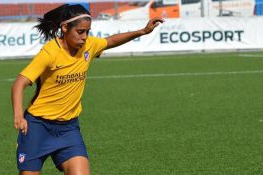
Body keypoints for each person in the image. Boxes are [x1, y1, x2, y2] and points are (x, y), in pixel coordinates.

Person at [11, 3, 164, 175]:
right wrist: (18, 115)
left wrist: (142, 32)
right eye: (80, 32)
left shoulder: (88, 46)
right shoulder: (50, 52)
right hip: (37, 127)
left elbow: (110, 41)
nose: (84, 37)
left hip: (68, 129)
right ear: (65, 27)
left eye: (87, 31)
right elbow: (19, 83)